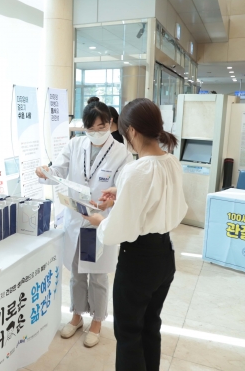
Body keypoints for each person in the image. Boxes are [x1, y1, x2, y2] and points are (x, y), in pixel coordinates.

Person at [84, 98, 187, 371]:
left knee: (128, 334)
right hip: (165, 255)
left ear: (131, 132)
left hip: (138, 261)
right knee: (150, 327)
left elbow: (119, 230)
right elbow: (170, 205)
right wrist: (122, 192)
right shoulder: (171, 162)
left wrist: (99, 221)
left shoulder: (137, 169)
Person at [35, 101, 132, 348]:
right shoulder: (75, 144)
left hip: (100, 223)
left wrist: (114, 197)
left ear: (110, 123)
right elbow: (57, 169)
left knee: (98, 275)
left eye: (100, 127)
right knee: (77, 273)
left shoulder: (122, 153)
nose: (95, 132)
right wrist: (45, 171)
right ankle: (77, 315)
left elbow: (125, 187)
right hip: (77, 221)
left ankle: (97, 321)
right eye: (90, 128)